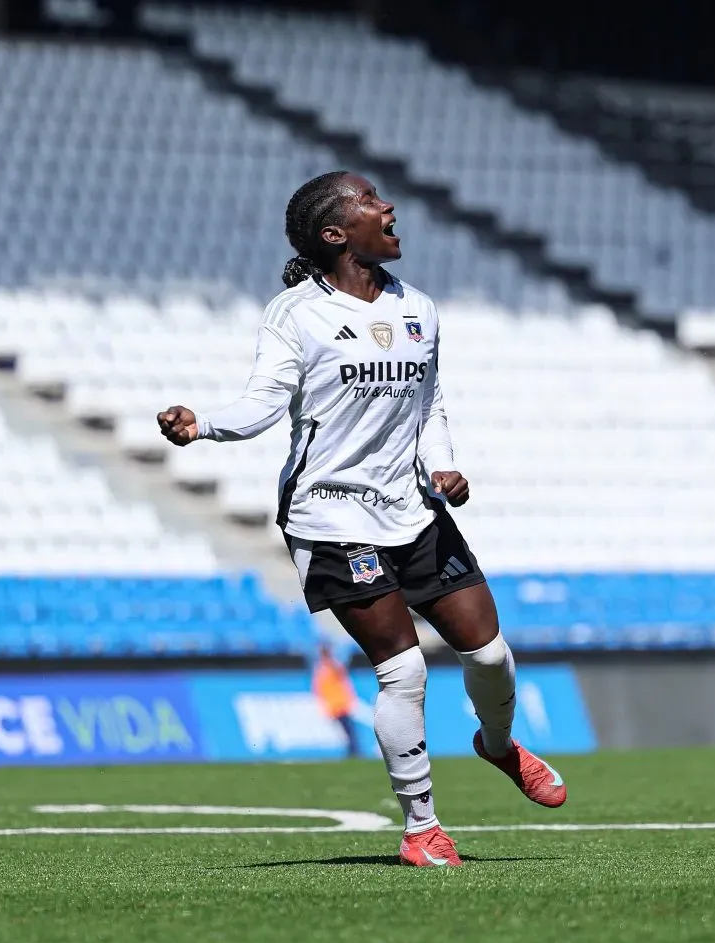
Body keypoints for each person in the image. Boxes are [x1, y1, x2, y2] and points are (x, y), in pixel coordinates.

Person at [157, 171, 567, 868]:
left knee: (489, 655)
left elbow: (428, 403)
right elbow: (264, 403)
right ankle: (421, 828)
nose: (389, 207)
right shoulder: (296, 313)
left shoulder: (418, 308)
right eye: (371, 201)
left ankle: (496, 745)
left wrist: (441, 465)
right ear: (334, 233)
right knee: (402, 672)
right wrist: (203, 426)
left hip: (413, 510)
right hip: (331, 516)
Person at [312, 643, 360, 758]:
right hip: (338, 705)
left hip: (338, 705)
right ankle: (353, 752)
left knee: (348, 732)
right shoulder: (328, 667)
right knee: (349, 732)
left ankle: (353, 752)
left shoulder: (322, 668)